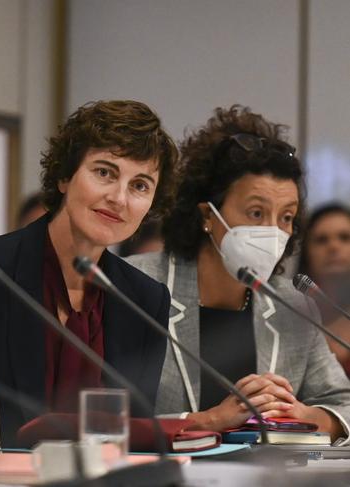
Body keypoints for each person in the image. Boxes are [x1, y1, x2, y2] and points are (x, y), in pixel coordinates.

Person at [0, 100, 178, 446]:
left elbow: (134, 432)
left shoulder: (146, 300)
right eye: (105, 173)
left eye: (140, 185)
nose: (119, 198)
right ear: (65, 176)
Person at [127, 105, 350, 442]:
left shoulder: (292, 306)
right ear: (207, 215)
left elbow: (343, 405)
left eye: (286, 217)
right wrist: (208, 420)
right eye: (256, 212)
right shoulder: (135, 285)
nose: (273, 230)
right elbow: (105, 415)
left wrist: (301, 416)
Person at [299, 203, 350, 374]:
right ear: (307, 252)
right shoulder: (290, 316)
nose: (333, 247)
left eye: (344, 237)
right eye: (321, 240)